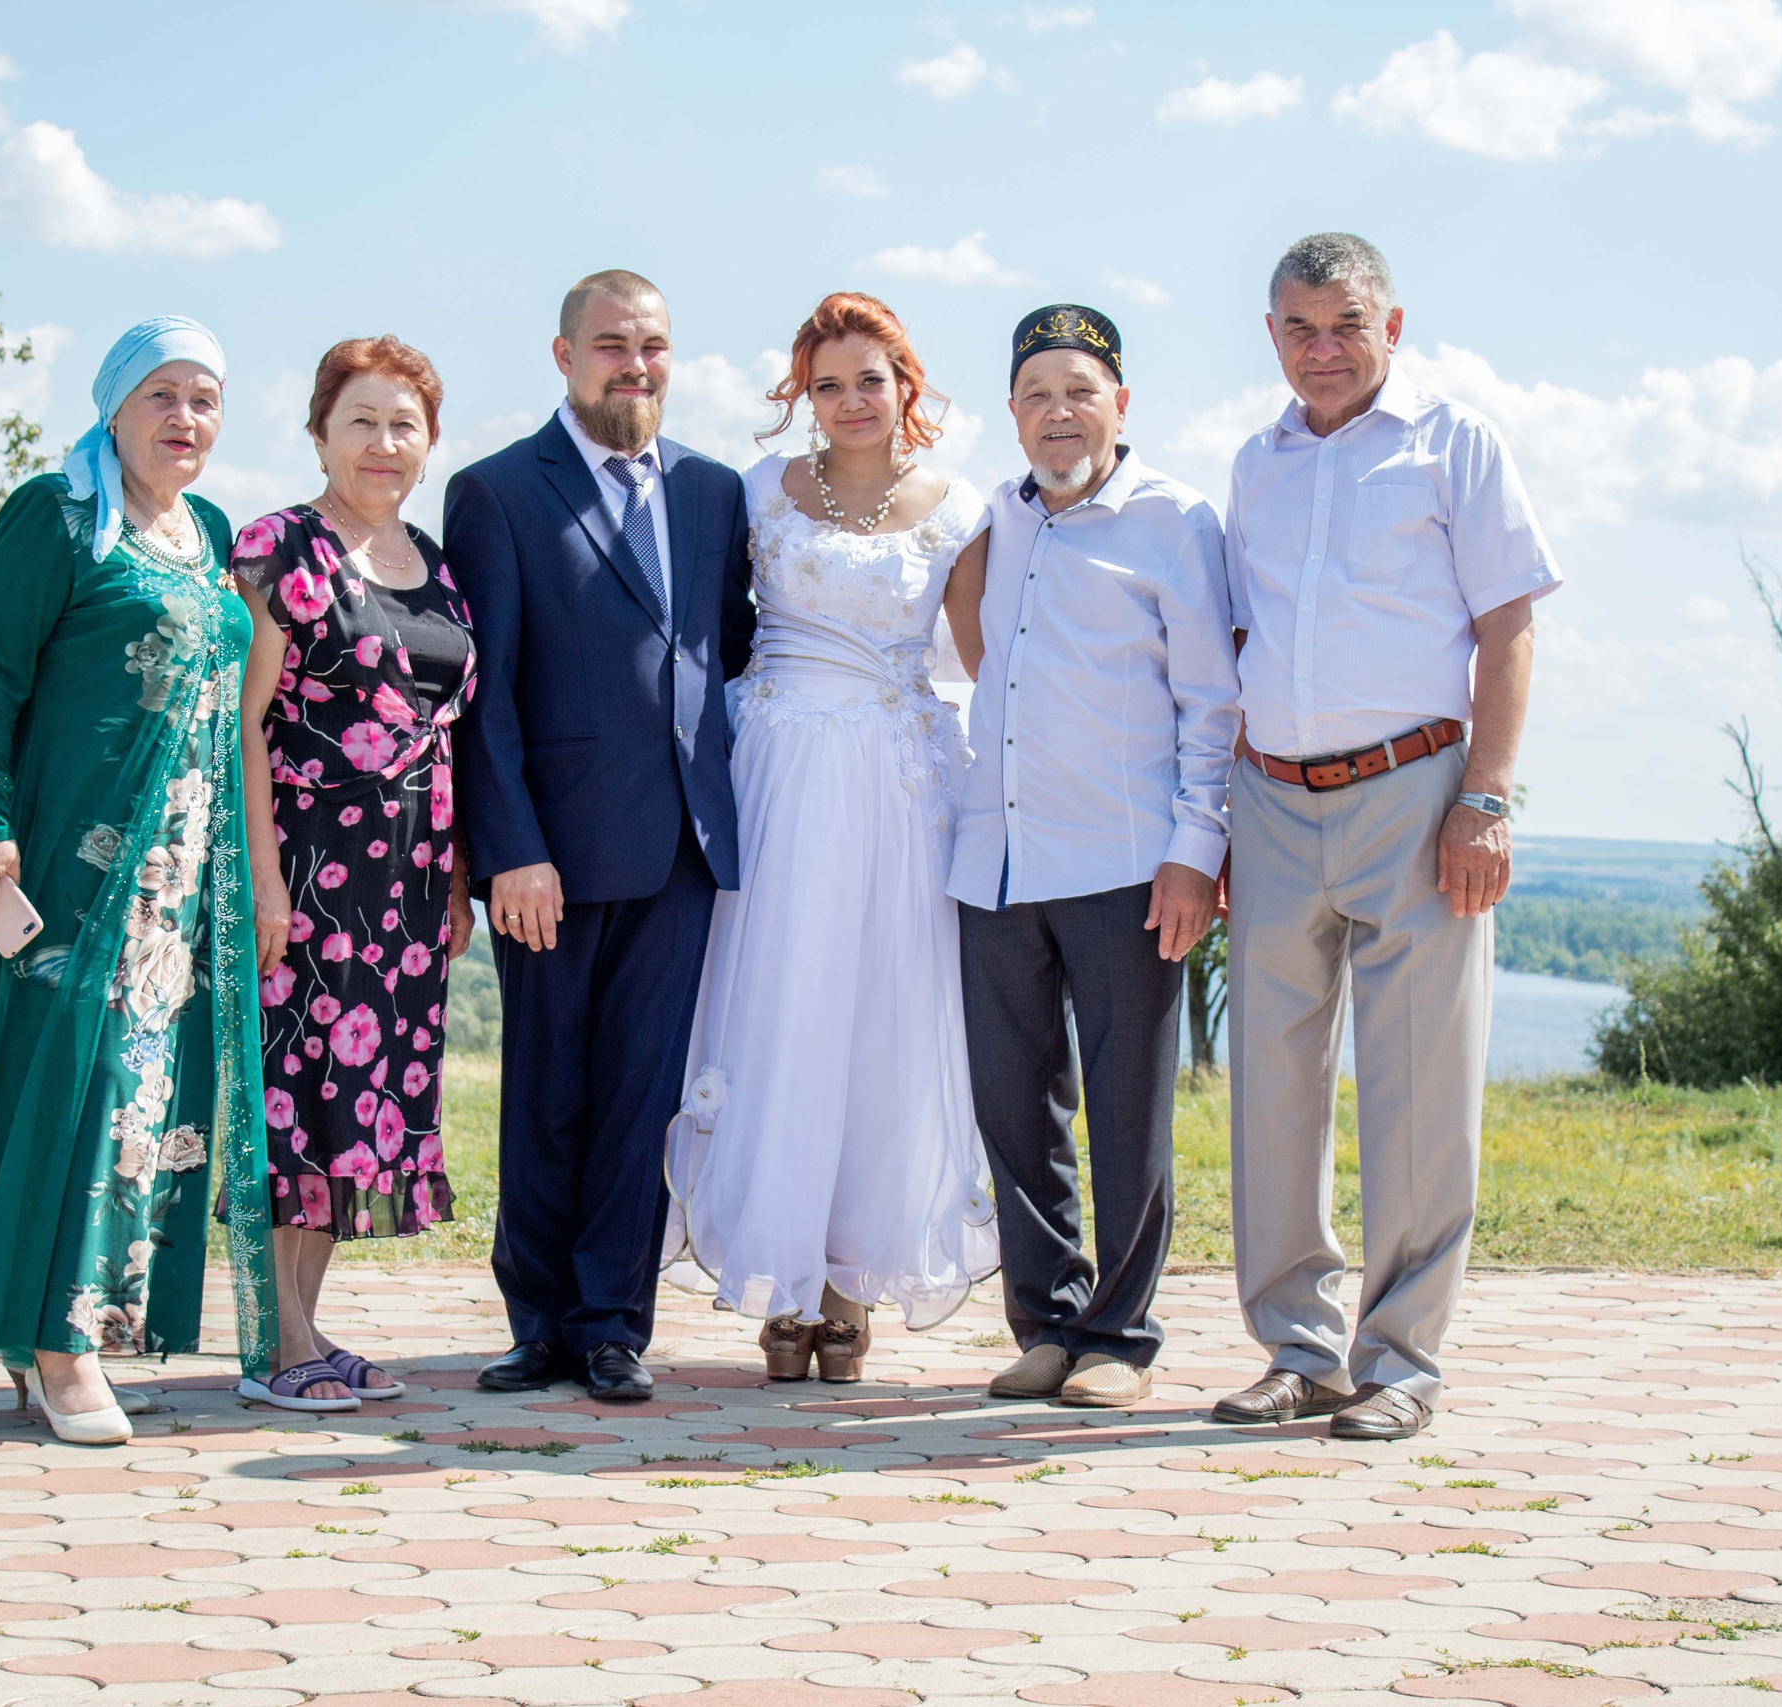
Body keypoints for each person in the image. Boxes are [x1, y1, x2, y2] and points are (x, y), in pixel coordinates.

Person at [0, 318, 278, 1447]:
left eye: (204, 399)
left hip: (180, 876)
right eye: (162, 396)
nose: (185, 418)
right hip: (72, 857)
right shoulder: (55, 515)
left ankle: (79, 1322)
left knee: (149, 1094)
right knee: (77, 1081)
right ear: (113, 407)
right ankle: (59, 1343)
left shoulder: (205, 530)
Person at [1211, 233, 1557, 1443]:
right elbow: (1239, 642)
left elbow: (1508, 628)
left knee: (1418, 1087)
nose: (1323, 349)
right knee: (1271, 1086)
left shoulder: (1454, 444)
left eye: (1345, 324)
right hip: (1268, 797)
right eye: (1300, 328)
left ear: (1391, 327)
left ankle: (1400, 1360)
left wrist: (1486, 798)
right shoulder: (1254, 465)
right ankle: (1298, 1351)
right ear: (1272, 336)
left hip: (1415, 793)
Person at [663, 293, 999, 1382]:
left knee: (878, 1021)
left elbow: (986, 664)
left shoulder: (961, 509)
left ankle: (851, 1282)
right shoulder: (761, 489)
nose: (850, 401)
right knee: (781, 1013)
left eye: (869, 380)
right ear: (801, 397)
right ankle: (780, 1273)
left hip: (896, 788)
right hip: (775, 776)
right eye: (827, 385)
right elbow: (706, 631)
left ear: (906, 385)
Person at [448, 270, 756, 1403]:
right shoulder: (496, 492)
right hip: (552, 856)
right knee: (548, 1088)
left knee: (642, 1093)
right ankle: (538, 1322)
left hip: (681, 846)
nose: (636, 364)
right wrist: (509, 849)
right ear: (565, 355)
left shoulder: (714, 492)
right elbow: (487, 695)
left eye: (654, 345)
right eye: (614, 344)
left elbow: (724, 650)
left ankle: (613, 1322)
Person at [950, 305, 1239, 1409]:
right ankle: (1046, 1322)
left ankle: (1119, 1337)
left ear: (1121, 403)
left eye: (1080, 390)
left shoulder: (1174, 519)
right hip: (996, 858)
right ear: (1012, 412)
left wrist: (1195, 850)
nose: (1058, 412)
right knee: (1012, 1105)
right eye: (1036, 394)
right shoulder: (996, 517)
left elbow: (1212, 701)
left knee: (1126, 1109)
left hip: (1127, 862)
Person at [228, 337, 477, 1412]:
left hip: (410, 881)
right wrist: (265, 877)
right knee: (296, 1093)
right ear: (320, 433)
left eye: (403, 424)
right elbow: (241, 725)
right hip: (310, 865)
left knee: (357, 1097)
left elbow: (447, 729)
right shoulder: (277, 548)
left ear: (429, 442)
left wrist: (455, 876)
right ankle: (275, 1342)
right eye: (361, 421)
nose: (383, 442)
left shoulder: (435, 563)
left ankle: (307, 1323)